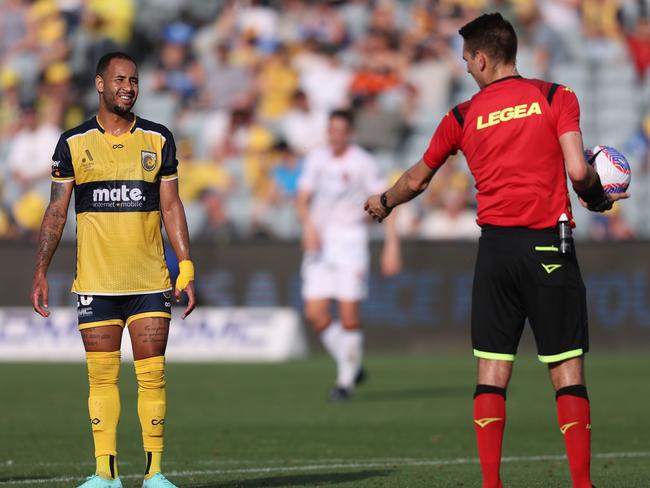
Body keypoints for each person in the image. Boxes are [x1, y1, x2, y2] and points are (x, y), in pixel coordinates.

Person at [364, 13, 628, 488]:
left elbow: (417, 180)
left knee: (492, 369)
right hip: (550, 244)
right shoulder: (555, 96)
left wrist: (384, 203)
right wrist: (598, 198)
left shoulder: (461, 117)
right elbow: (579, 170)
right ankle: (583, 485)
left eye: (466, 60)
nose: (466, 68)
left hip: (495, 253)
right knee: (566, 370)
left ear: (481, 59)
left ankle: (490, 484)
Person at [30, 52, 196, 488]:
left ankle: (155, 474)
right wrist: (41, 271)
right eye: (120, 79)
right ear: (100, 84)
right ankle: (105, 474)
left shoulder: (159, 139)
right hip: (97, 282)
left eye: (135, 80)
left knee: (151, 374)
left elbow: (172, 206)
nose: (128, 86)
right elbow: (55, 212)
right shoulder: (73, 142)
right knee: (101, 376)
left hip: (150, 281)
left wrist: (187, 266)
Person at [297, 109, 401, 401]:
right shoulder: (316, 159)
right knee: (315, 313)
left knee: (348, 316)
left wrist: (392, 245)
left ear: (350, 132)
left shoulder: (363, 163)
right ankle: (351, 363)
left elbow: (386, 202)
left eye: (341, 130)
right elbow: (302, 198)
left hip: (350, 241)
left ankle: (345, 382)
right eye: (332, 129)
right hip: (320, 241)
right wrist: (308, 227)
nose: (336, 135)